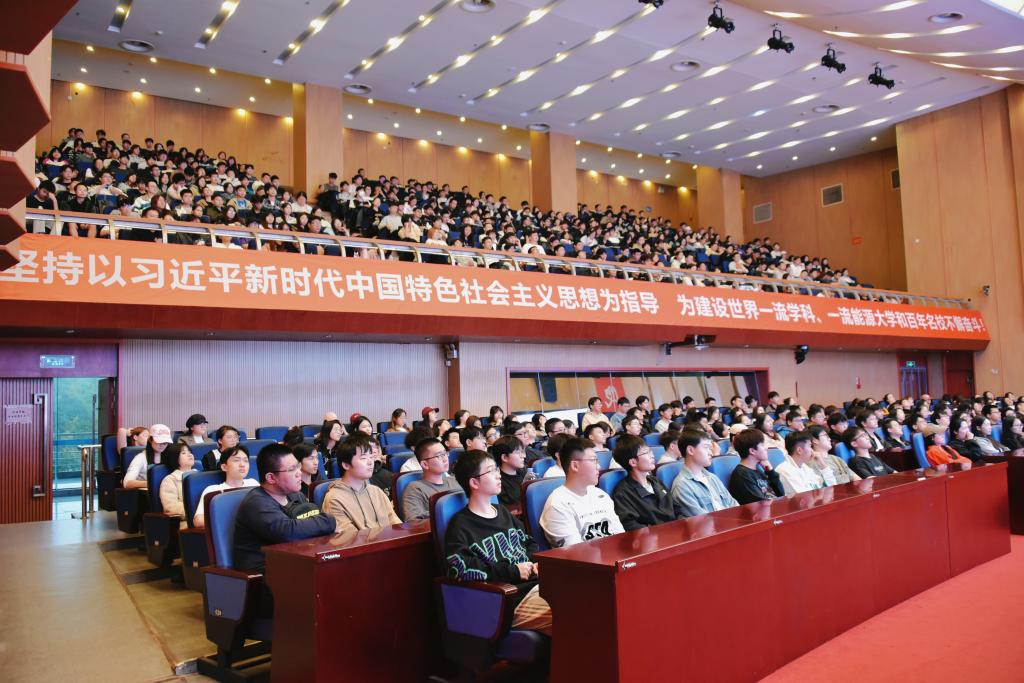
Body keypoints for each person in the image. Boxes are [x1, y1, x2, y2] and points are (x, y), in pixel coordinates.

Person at [446, 449, 552, 636]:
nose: (498, 475)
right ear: (474, 482)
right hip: (509, 598)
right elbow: (460, 569)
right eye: (491, 470)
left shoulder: (502, 511)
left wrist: (532, 563)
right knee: (572, 610)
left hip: (536, 585)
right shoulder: (461, 525)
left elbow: (528, 542)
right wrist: (513, 571)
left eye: (496, 469)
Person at [233, 443, 337, 574]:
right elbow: (289, 532)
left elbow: (312, 520)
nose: (299, 473)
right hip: (264, 573)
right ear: (271, 478)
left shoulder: (295, 495)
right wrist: (329, 520)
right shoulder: (256, 503)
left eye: (298, 466)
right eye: (292, 469)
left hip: (295, 560)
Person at [539, 437, 625, 548]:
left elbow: (621, 537)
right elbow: (576, 553)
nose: (599, 467)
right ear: (575, 466)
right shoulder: (557, 505)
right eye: (593, 460)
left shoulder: (600, 495)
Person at [322, 434, 401, 534]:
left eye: (371, 457)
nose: (370, 462)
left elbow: (396, 525)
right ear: (346, 465)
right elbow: (350, 538)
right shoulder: (334, 500)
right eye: (363, 458)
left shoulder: (376, 491)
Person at [609, 435, 675, 530]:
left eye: (650, 451)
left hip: (676, 531)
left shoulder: (655, 481)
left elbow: (676, 507)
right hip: (655, 536)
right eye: (646, 453)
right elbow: (630, 525)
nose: (652, 456)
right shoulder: (622, 493)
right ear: (633, 462)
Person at [670, 430, 739, 517]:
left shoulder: (712, 477)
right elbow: (704, 520)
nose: (710, 452)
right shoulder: (682, 486)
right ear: (690, 450)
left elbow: (734, 504)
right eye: (706, 447)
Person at [193, 446, 258, 527]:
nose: (242, 465)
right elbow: (198, 521)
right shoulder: (212, 490)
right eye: (236, 460)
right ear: (224, 467)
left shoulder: (253, 483)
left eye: (246, 461)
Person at [401, 438, 463, 521]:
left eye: (445, 454)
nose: (445, 459)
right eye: (439, 456)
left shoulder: (455, 480)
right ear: (425, 464)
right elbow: (414, 522)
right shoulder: (415, 489)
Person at [728, 428, 785, 504]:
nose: (766, 447)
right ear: (752, 451)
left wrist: (771, 472)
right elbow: (761, 504)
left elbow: (781, 494)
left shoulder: (758, 469)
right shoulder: (741, 475)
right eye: (762, 445)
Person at [124, 424, 173, 490]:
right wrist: (151, 483)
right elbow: (127, 483)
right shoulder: (140, 458)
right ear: (150, 440)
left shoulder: (170, 456)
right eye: (159, 442)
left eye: (165, 442)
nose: (163, 445)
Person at [492, 435, 535, 507]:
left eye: (522, 452)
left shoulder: (524, 473)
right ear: (504, 457)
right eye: (518, 452)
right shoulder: (498, 482)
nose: (523, 456)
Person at [158, 443, 195, 520]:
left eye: (190, 452)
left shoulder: (200, 475)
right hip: (188, 521)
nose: (189, 455)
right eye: (183, 453)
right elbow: (171, 508)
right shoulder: (170, 480)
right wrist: (198, 510)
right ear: (175, 458)